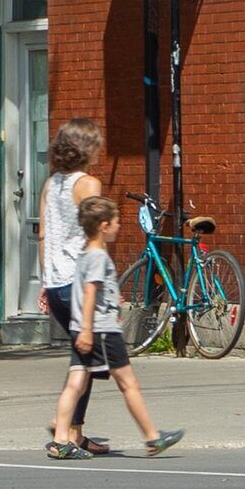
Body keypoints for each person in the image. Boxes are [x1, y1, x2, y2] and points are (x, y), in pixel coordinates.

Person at [48, 195, 182, 458]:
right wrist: (88, 328)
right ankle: (152, 437)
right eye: (117, 222)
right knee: (128, 383)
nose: (120, 226)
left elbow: (91, 292)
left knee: (75, 383)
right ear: (103, 226)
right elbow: (89, 293)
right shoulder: (98, 256)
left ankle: (60, 440)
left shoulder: (85, 254)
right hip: (101, 331)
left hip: (83, 328)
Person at [41, 119, 115, 456]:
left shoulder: (50, 184)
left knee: (84, 359)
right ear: (87, 148)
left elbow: (44, 235)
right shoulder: (88, 184)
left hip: (56, 282)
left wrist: (44, 281)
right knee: (83, 361)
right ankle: (64, 433)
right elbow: (95, 236)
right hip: (78, 281)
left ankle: (75, 430)